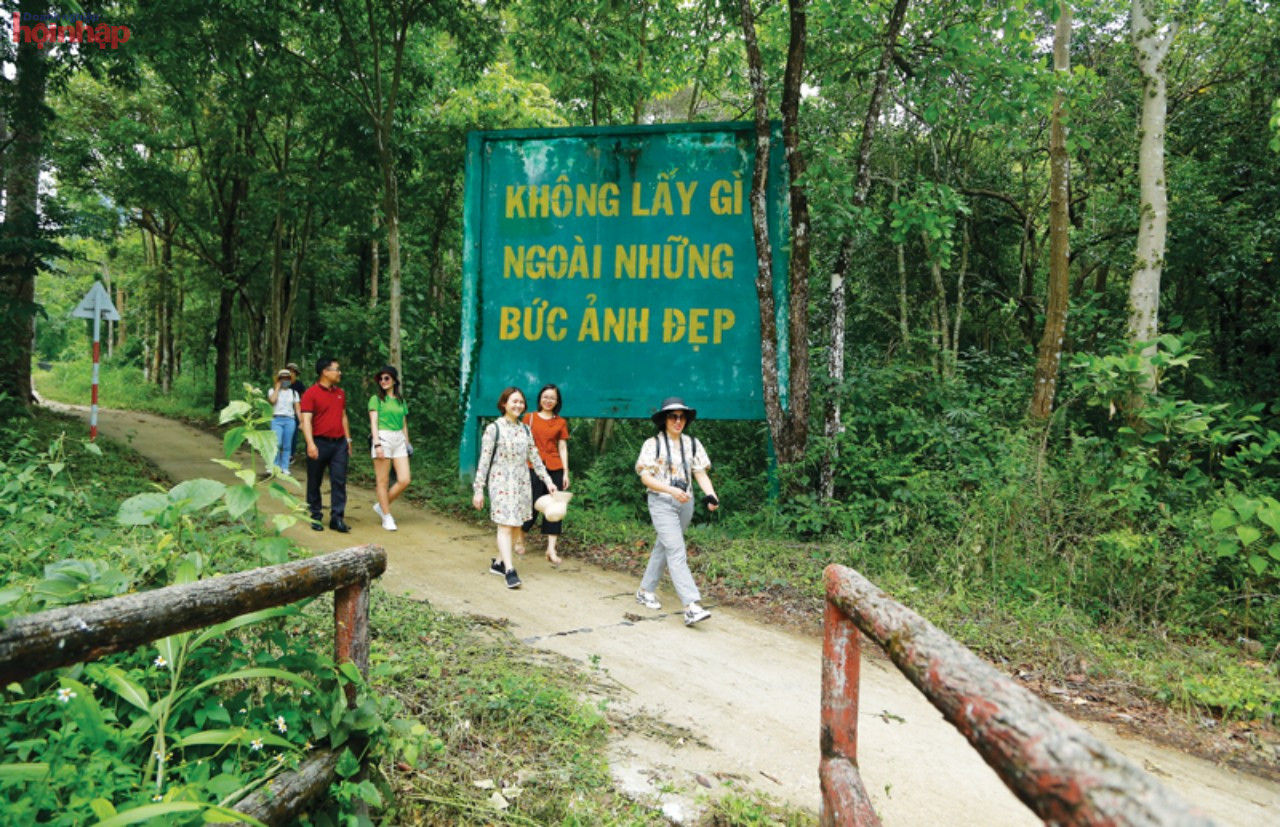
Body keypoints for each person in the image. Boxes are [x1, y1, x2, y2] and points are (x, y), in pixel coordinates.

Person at [634, 396, 719, 626]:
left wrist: (711, 495)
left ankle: (645, 590)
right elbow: (645, 477)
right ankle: (691, 605)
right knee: (676, 550)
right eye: (673, 417)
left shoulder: (692, 443)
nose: (678, 421)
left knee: (665, 546)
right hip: (661, 502)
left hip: (685, 504)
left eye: (682, 417)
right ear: (664, 419)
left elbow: (700, 473)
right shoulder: (653, 444)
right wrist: (670, 490)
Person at [472, 387, 557, 589]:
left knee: (516, 523)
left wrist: (548, 481)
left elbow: (535, 458)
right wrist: (478, 489)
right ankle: (510, 570)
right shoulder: (494, 429)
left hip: (521, 482)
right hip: (500, 481)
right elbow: (484, 461)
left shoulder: (525, 429)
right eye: (514, 401)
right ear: (504, 404)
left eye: (521, 402)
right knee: (505, 525)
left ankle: (499, 562)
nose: (518, 405)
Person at [517, 383, 570, 565]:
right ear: (540, 398)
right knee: (530, 505)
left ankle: (551, 549)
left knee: (556, 508)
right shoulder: (529, 418)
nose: (548, 401)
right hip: (532, 467)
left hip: (554, 467)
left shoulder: (560, 422)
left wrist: (565, 472)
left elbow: (562, 446)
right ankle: (520, 538)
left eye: (552, 398)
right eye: (546, 397)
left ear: (557, 402)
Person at [300, 357, 352, 533]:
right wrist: (310, 444)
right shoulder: (310, 394)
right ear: (325, 371)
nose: (339, 373)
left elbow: (343, 416)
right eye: (336, 369)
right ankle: (315, 516)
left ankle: (337, 518)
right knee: (315, 480)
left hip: (339, 444)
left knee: (339, 481)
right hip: (319, 442)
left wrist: (348, 440)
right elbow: (306, 420)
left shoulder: (340, 393)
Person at [369, 365, 411, 531]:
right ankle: (387, 516)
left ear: (394, 380)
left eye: (386, 378)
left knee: (404, 479)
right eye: (380, 379)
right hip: (383, 437)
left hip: (399, 439)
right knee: (383, 480)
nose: (383, 381)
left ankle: (381, 505)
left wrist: (407, 442)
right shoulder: (376, 399)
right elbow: (373, 422)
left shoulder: (401, 400)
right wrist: (377, 443)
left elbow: (404, 423)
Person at [267, 368, 301, 475]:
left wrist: (302, 422)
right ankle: (274, 466)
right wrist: (277, 388)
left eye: (287, 378)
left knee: (287, 445)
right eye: (282, 378)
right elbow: (272, 401)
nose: (285, 380)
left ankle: (285, 467)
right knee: (276, 443)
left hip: (290, 420)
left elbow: (298, 409)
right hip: (276, 419)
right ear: (278, 379)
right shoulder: (272, 391)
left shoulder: (294, 393)